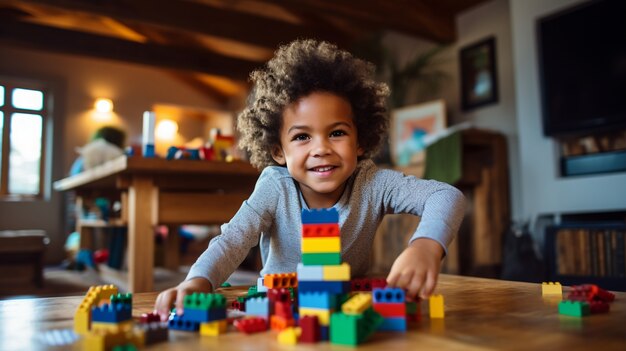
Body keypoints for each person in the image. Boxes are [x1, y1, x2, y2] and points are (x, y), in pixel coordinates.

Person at [154, 39, 465, 320]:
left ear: (360, 142)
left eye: (337, 133)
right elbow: (233, 240)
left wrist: (426, 245)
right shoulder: (275, 187)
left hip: (345, 309)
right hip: (279, 310)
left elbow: (445, 195)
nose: (321, 149)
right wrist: (199, 279)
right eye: (302, 136)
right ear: (278, 151)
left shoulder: (373, 182)